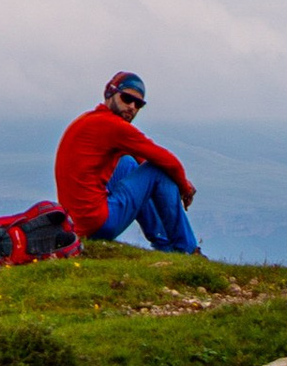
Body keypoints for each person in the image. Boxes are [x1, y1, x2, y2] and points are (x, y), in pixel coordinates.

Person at [54, 73, 202, 253]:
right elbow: (168, 161)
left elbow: (138, 155)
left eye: (138, 104)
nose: (132, 107)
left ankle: (165, 244)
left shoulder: (90, 120)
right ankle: (187, 249)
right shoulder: (113, 126)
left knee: (128, 163)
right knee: (156, 169)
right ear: (110, 94)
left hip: (77, 223)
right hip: (96, 223)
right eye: (127, 99)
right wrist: (184, 186)